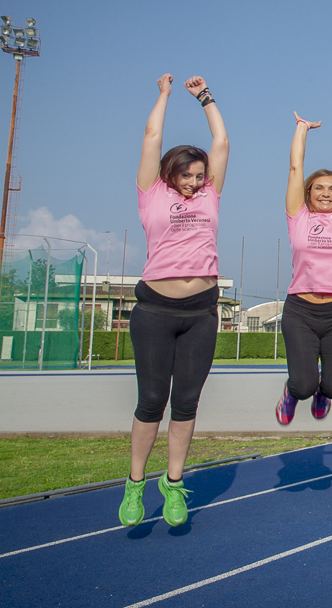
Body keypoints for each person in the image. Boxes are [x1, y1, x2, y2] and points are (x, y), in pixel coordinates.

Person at [120, 73, 228, 528]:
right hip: (155, 311)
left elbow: (220, 140)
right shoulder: (152, 195)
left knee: (186, 402)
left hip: (201, 311)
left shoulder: (211, 195)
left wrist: (204, 98)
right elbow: (151, 136)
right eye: (187, 174)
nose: (194, 180)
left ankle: (174, 483)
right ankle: (135, 482)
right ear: (170, 172)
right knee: (151, 400)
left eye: (200, 175)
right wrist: (164, 95)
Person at [276, 113, 332, 426]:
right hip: (301, 308)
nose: (326, 193)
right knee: (302, 385)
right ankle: (293, 392)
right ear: (308, 193)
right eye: (319, 188)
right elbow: (295, 168)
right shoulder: (297, 216)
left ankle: (323, 393)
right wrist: (301, 129)